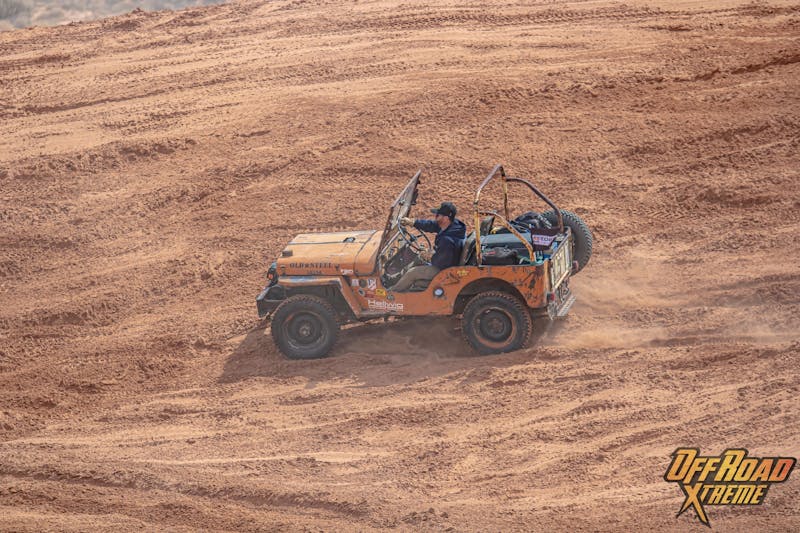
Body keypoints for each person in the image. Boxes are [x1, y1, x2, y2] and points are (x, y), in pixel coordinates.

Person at [391, 201, 466, 292]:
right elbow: (432, 225)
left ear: (446, 218)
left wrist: (429, 256)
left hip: (444, 271)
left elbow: (442, 263)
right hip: (446, 260)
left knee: (412, 273)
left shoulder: (447, 241)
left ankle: (392, 293)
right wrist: (413, 222)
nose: (435, 217)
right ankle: (398, 278)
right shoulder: (452, 225)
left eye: (438, 215)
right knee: (418, 258)